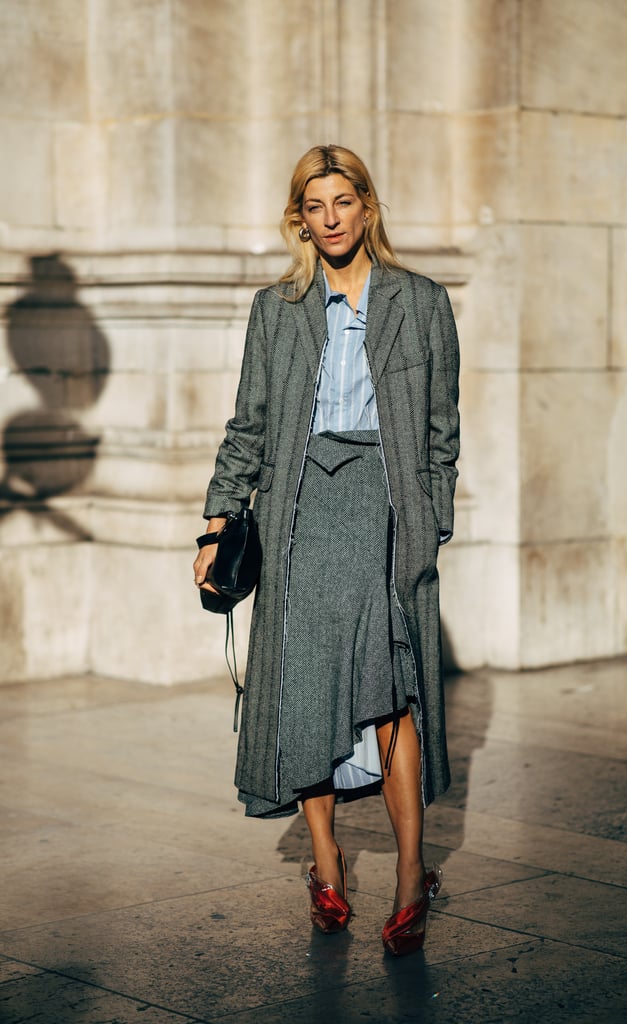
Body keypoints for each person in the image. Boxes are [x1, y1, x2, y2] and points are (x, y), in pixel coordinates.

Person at [193, 144, 460, 956]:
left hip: (383, 507)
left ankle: (412, 873)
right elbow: (248, 425)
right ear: (299, 218)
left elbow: (441, 429)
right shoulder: (277, 307)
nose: (332, 217)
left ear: (367, 207)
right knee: (306, 684)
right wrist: (215, 523)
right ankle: (328, 865)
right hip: (298, 511)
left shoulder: (419, 301)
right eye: (316, 205)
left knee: (391, 687)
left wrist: (430, 518)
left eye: (344, 201)